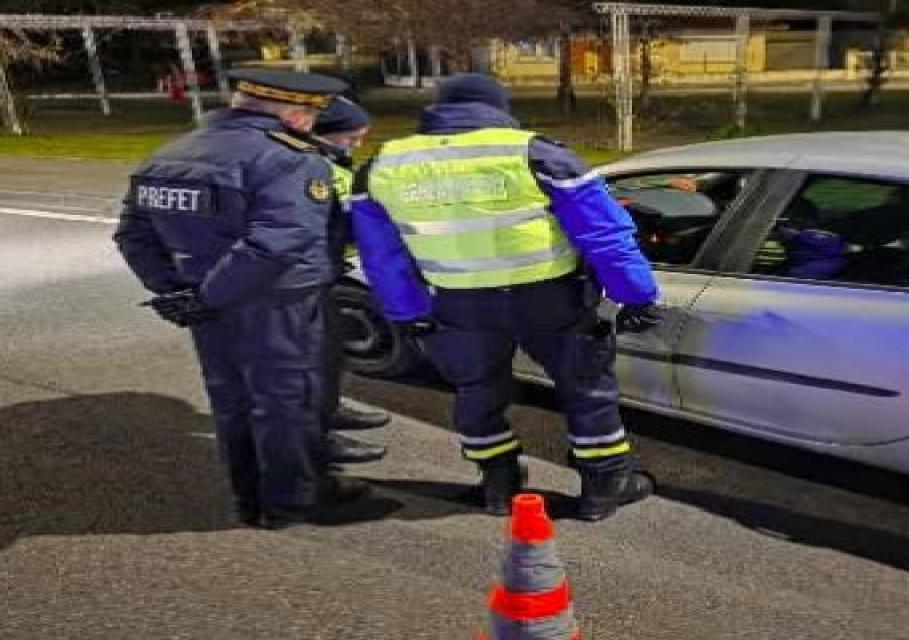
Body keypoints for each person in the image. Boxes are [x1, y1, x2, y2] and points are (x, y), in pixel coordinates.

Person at [352, 73, 663, 521]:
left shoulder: (383, 164)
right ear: (498, 106)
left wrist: (408, 311)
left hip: (459, 303)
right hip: (551, 299)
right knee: (586, 389)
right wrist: (636, 295)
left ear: (438, 109)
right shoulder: (534, 152)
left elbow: (382, 255)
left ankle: (499, 484)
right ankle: (604, 488)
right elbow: (604, 234)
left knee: (476, 390)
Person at [113, 69, 369, 529]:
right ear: (294, 113)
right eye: (310, 114)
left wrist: (178, 292)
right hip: (277, 303)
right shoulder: (289, 159)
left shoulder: (170, 154)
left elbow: (133, 235)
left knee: (231, 400)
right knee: (286, 401)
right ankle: (294, 499)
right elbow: (277, 243)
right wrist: (208, 295)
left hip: (203, 302)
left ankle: (248, 497)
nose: (310, 124)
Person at [307, 95, 391, 465]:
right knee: (303, 363)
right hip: (298, 281)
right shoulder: (311, 169)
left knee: (327, 352)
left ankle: (328, 408)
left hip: (321, 274)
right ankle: (315, 439)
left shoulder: (330, 164)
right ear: (323, 134)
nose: (357, 145)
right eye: (350, 138)